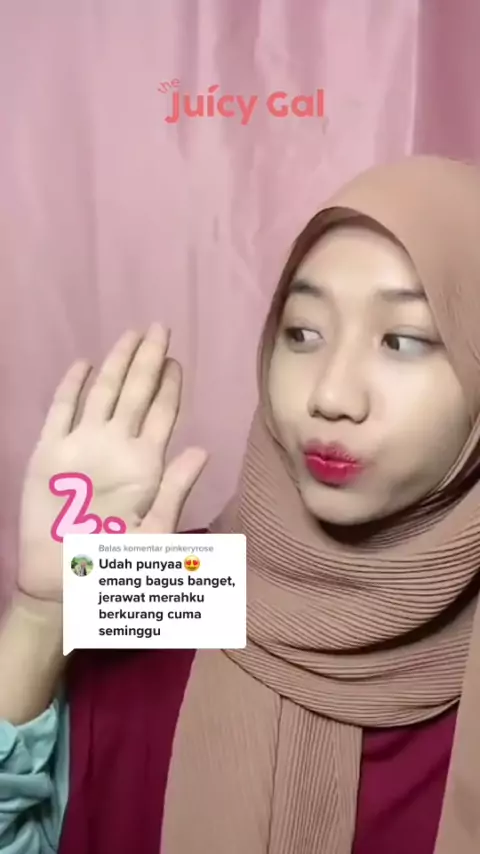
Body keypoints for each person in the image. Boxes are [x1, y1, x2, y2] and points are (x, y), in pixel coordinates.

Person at [1, 155, 480, 854]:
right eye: (303, 333)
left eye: (401, 341)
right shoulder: (178, 586)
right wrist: (43, 614)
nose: (330, 396)